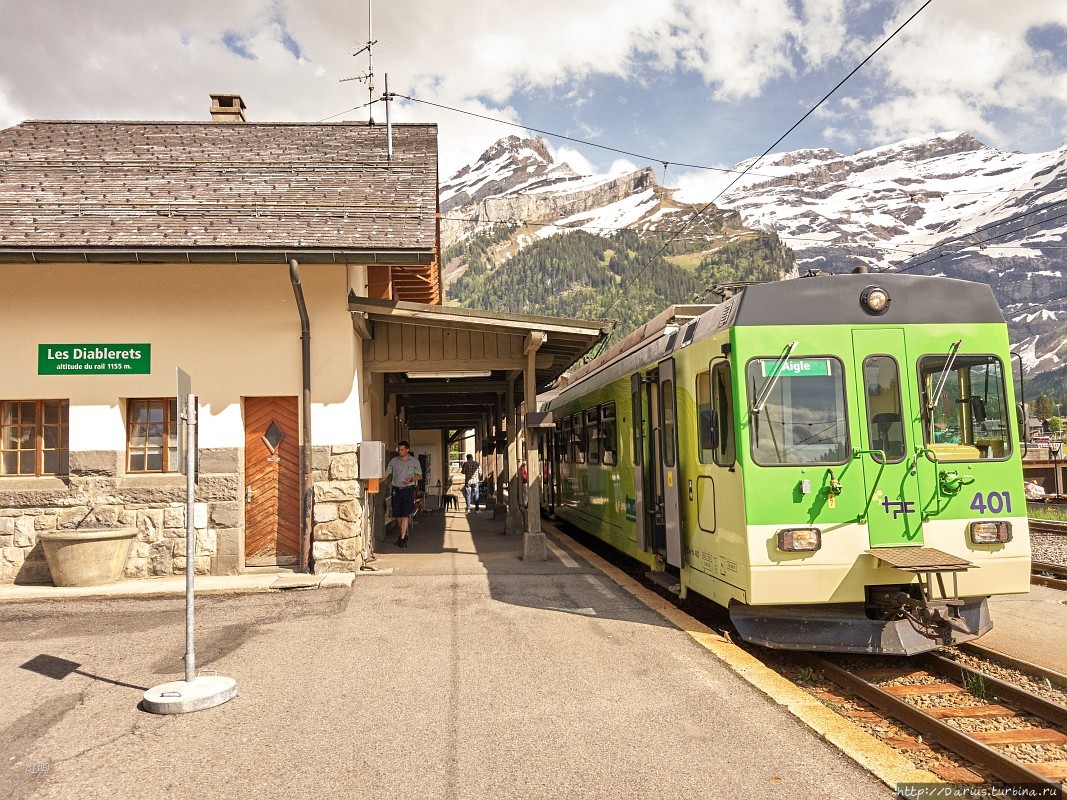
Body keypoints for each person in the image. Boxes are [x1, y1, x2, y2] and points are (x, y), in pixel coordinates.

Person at [385, 441, 422, 547]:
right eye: (399, 450)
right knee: (398, 515)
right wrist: (377, 481)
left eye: (402, 450)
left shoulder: (414, 462)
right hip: (396, 490)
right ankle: (404, 534)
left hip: (408, 490)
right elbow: (387, 474)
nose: (400, 452)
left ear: (407, 450)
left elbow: (419, 476)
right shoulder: (394, 461)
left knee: (405, 514)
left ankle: (402, 539)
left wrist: (411, 479)